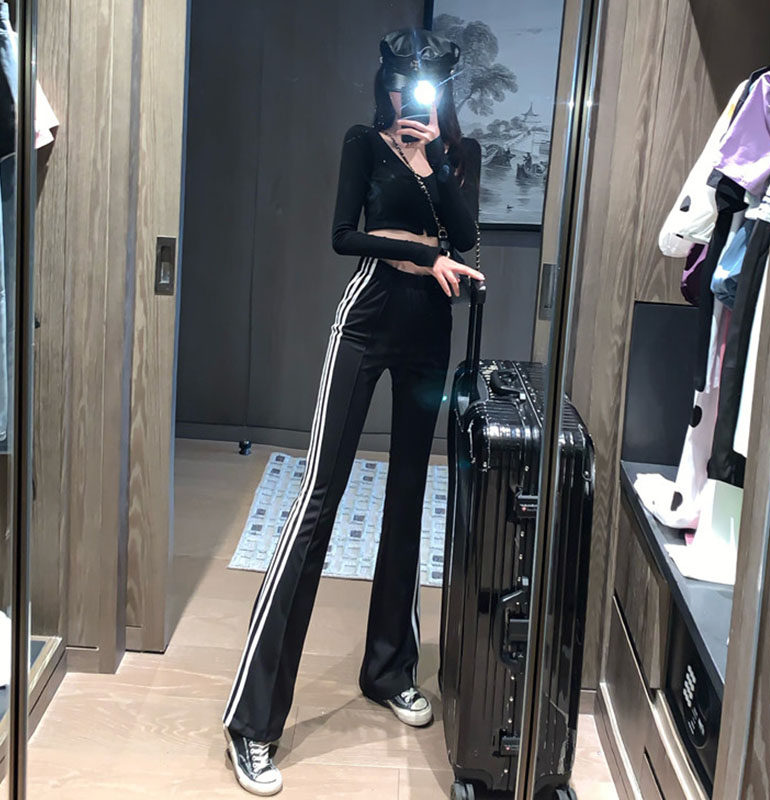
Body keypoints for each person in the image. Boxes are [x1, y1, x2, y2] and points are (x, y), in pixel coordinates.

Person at [222, 28, 483, 796]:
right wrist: (418, 248)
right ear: (386, 83)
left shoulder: (459, 154)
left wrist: (433, 168)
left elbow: (467, 235)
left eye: (424, 83)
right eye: (401, 81)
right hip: (366, 320)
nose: (411, 96)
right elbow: (344, 237)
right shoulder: (363, 143)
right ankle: (251, 721)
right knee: (318, 498)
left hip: (430, 336)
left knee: (408, 499)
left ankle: (389, 669)